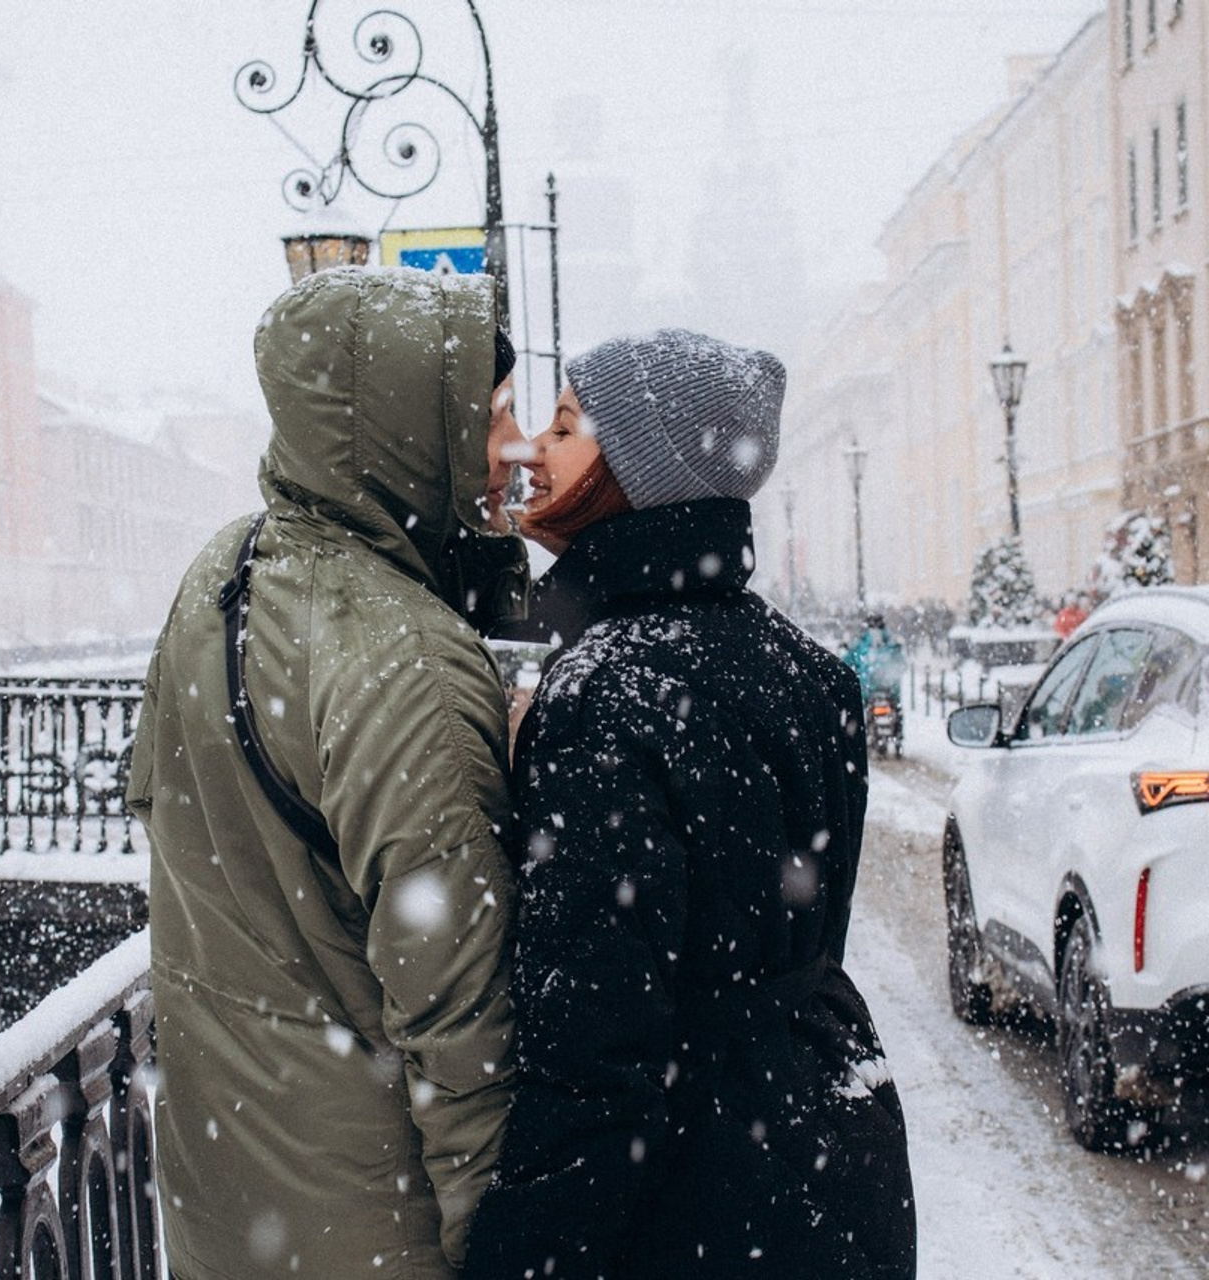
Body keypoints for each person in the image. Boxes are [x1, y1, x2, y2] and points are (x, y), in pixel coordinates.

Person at [464, 330, 917, 1278]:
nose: (532, 452)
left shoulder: (607, 692)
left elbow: (596, 1049)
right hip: (829, 1141)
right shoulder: (804, 669)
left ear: (641, 468)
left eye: (567, 427)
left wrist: (523, 1257)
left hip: (697, 1188)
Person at [125, 266, 529, 1280]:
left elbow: (159, 804)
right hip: (373, 1218)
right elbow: (462, 1019)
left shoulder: (221, 572)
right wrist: (501, 1246)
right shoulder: (407, 661)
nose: (509, 446)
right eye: (486, 416)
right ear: (403, 427)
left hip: (230, 1194)